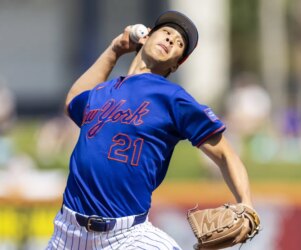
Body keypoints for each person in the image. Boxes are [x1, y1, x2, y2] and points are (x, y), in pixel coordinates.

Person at [47, 10, 255, 249]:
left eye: (179, 44)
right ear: (145, 37)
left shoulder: (173, 98)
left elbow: (226, 155)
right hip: (67, 233)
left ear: (176, 64)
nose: (171, 40)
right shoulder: (103, 92)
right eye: (166, 32)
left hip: (127, 236)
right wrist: (115, 49)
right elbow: (73, 100)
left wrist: (246, 203)